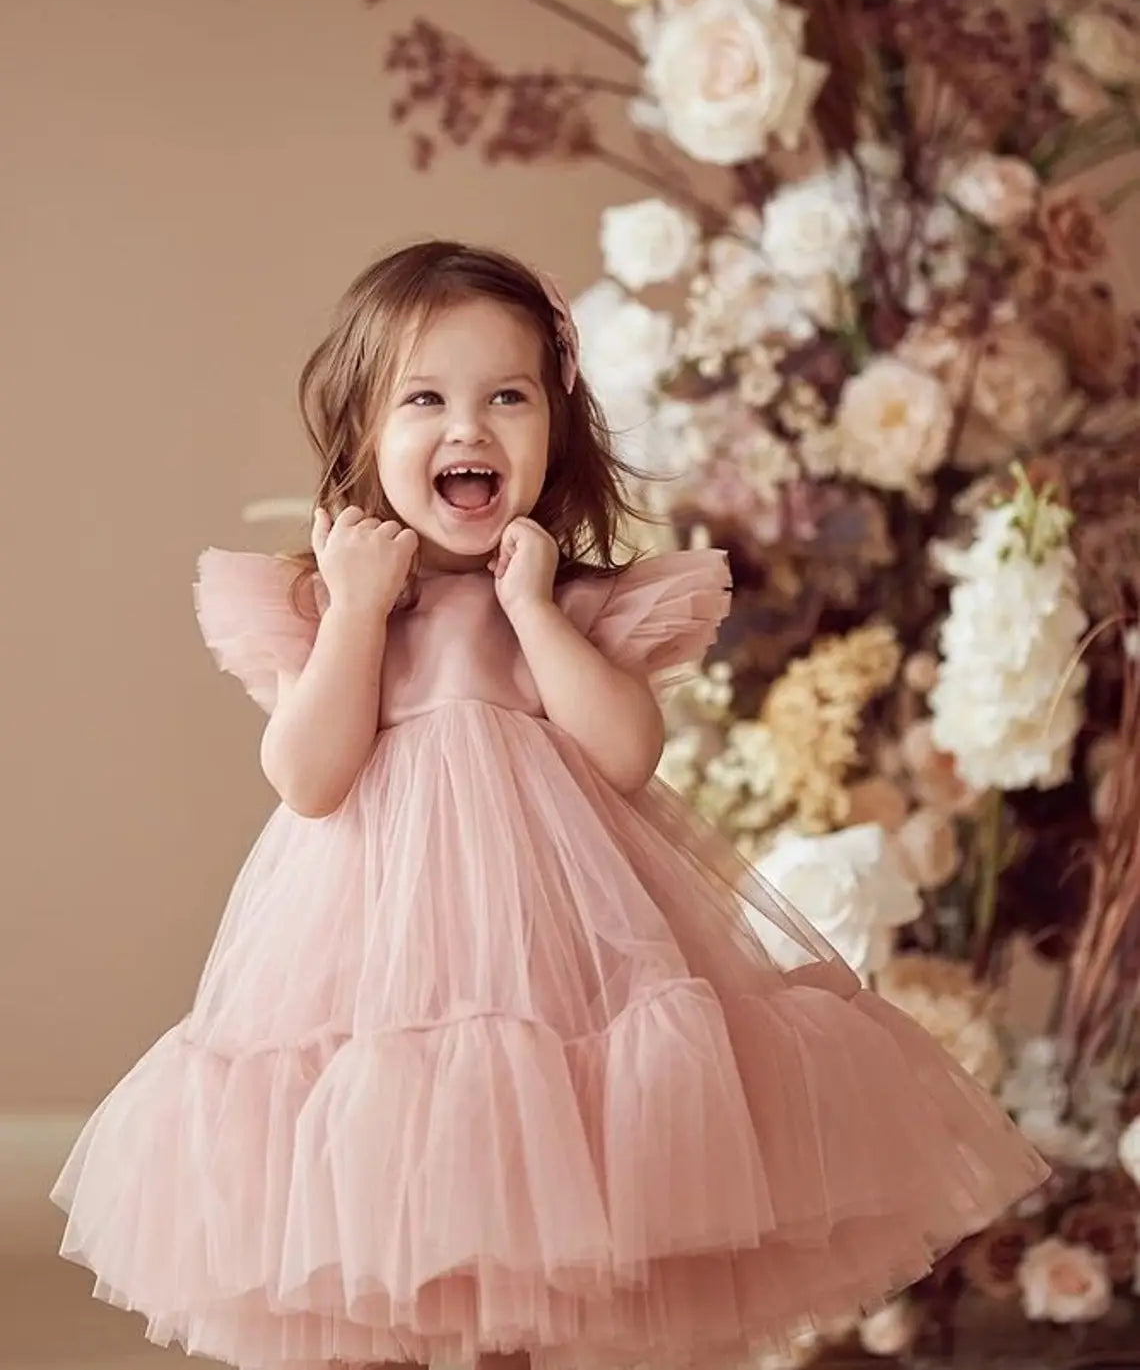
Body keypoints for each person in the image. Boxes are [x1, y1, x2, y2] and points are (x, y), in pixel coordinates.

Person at [52, 241, 1047, 1370]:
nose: (467, 428)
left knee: (547, 1214)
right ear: (365, 436)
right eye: (423, 398)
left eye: (507, 397)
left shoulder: (572, 603)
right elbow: (309, 777)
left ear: (555, 431)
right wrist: (358, 617)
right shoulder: (330, 602)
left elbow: (623, 753)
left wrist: (533, 609)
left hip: (558, 962)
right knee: (383, 1200)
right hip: (372, 969)